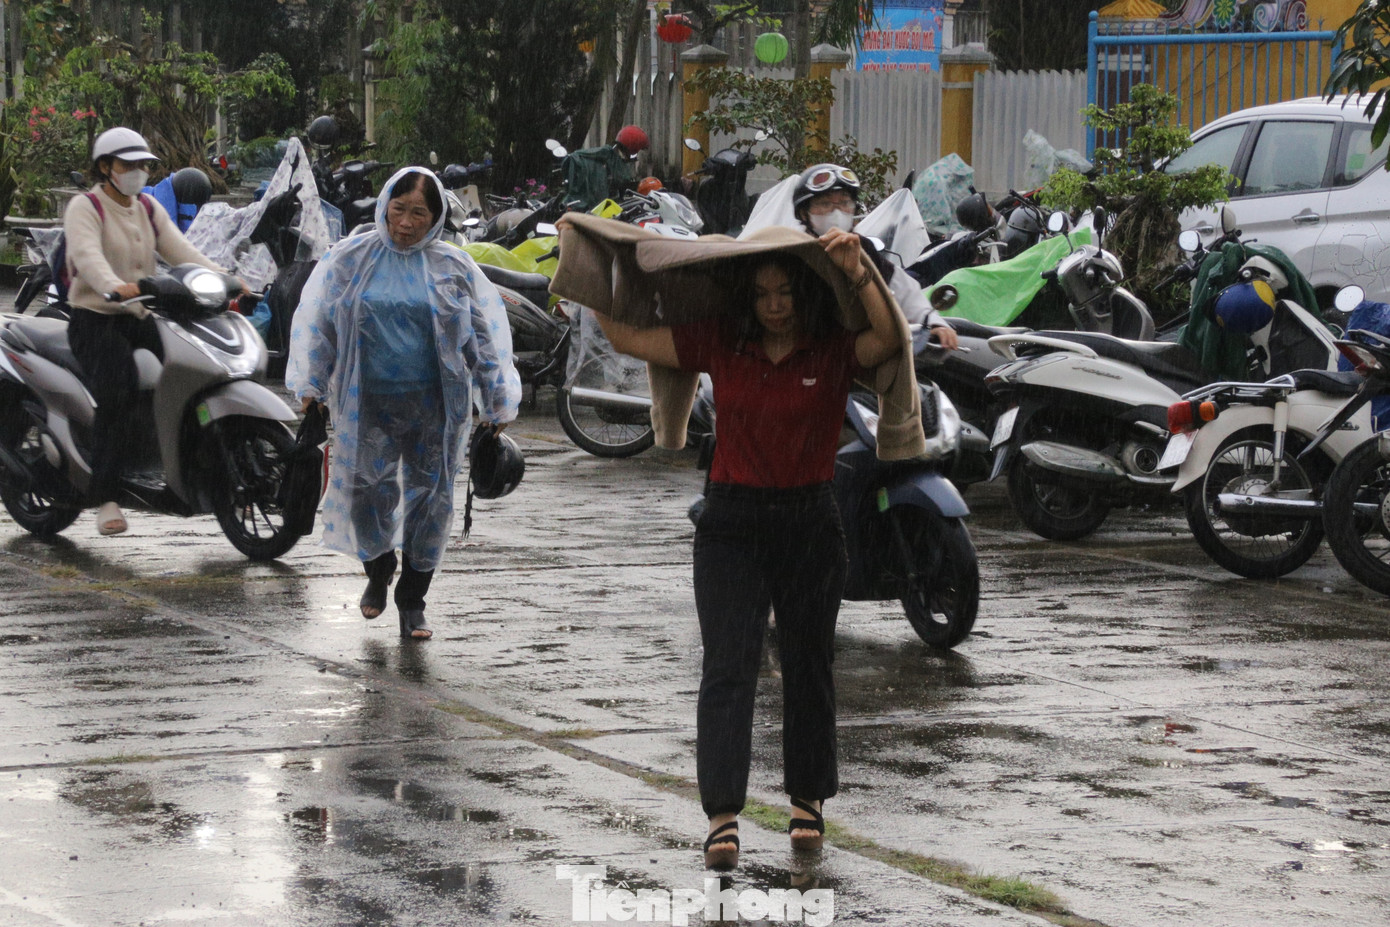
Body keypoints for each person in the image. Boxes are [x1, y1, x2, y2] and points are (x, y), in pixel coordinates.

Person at [585, 224, 904, 871]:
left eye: (785, 291)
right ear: (748, 299)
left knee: (808, 665)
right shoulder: (721, 342)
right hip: (732, 524)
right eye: (762, 293)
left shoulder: (833, 349)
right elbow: (625, 335)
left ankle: (806, 800)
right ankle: (722, 815)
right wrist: (587, 267)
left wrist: (859, 270)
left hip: (811, 524)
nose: (775, 304)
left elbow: (891, 338)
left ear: (805, 294)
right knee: (729, 668)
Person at [286, 166, 521, 641]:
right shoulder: (352, 258)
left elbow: (482, 339)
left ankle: (412, 600)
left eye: (419, 213)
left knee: (430, 502)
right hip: (365, 403)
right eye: (399, 209)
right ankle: (378, 570)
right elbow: (321, 324)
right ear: (384, 206)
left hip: (435, 406)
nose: (407, 222)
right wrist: (311, 385)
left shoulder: (453, 267)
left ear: (435, 218)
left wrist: (496, 402)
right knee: (362, 492)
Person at [63, 127, 231, 537]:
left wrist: (227, 277)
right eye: (128, 164)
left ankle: (184, 465)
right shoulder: (85, 208)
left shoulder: (148, 207)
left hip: (139, 314)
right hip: (94, 317)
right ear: (106, 168)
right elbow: (86, 255)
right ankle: (105, 495)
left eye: (143, 164)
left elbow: (181, 251)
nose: (137, 171)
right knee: (118, 385)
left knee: (196, 362)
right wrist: (111, 284)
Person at [791, 163, 960, 351]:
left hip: (856, 357)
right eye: (825, 204)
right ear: (803, 213)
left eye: (845, 203)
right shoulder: (792, 252)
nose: (836, 212)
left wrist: (933, 323)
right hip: (800, 353)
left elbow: (903, 289)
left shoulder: (863, 248)